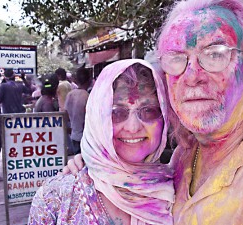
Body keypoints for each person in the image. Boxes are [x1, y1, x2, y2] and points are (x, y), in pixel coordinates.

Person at [64, 0, 243, 224]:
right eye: (177, 58)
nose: (192, 76)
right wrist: (96, 161)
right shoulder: (181, 158)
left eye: (215, 54)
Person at [28, 59, 174, 224]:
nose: (133, 127)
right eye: (117, 112)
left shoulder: (181, 189)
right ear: (97, 116)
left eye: (149, 111)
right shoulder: (55, 199)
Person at [64, 67, 92, 154]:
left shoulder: (70, 94)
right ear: (89, 80)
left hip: (74, 135)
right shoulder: (87, 96)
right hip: (85, 137)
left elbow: (66, 114)